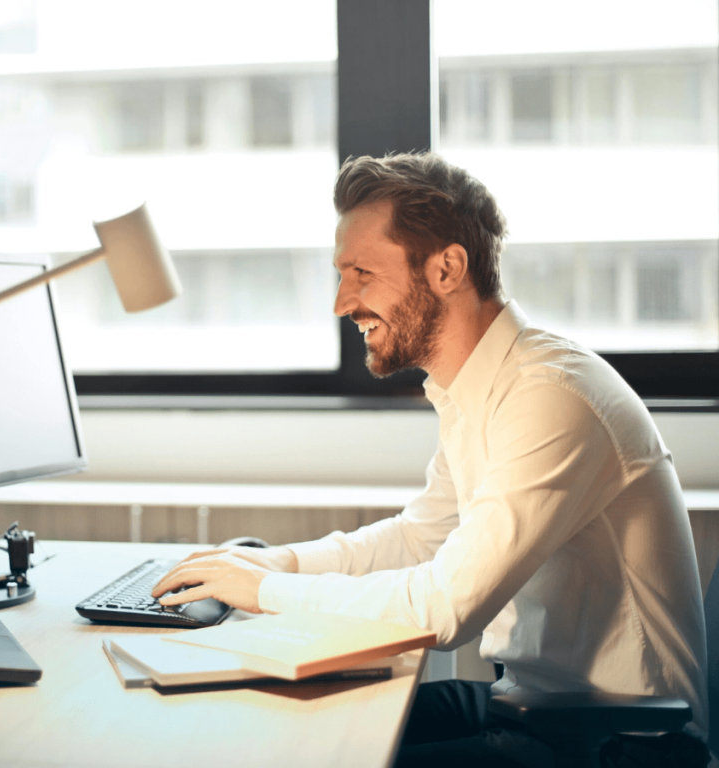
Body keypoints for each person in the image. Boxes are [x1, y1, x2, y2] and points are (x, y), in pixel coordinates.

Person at [152, 152, 710, 767]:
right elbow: (421, 539)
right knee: (282, 720)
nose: (342, 302)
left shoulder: (552, 397)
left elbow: (446, 608)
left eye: (362, 272)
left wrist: (266, 590)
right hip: (533, 708)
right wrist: (275, 563)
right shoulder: (478, 388)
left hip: (621, 743)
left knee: (318, 753)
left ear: (448, 268)